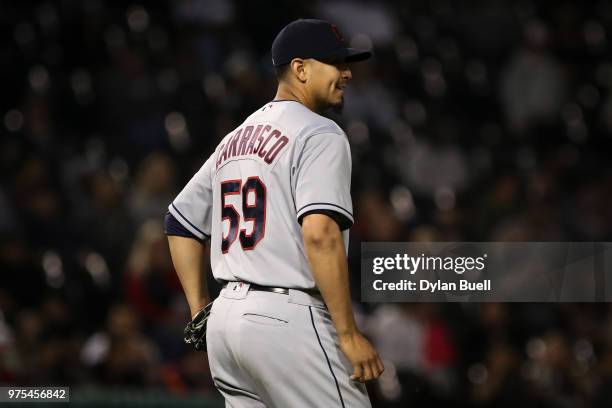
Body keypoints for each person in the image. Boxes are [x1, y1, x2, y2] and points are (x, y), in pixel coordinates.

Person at [165, 18, 383, 407]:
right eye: (335, 62)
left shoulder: (235, 138)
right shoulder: (320, 133)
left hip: (227, 325)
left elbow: (180, 221)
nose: (347, 72)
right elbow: (319, 234)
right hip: (288, 320)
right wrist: (348, 334)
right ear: (300, 68)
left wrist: (200, 310)